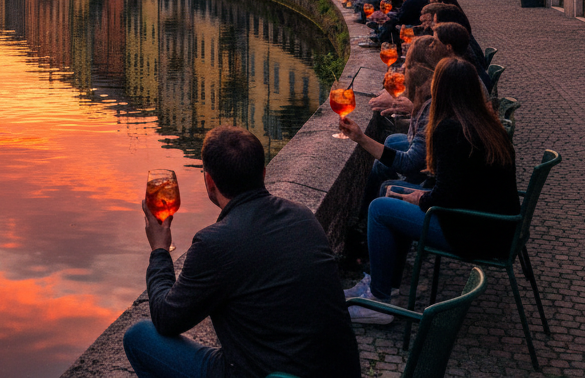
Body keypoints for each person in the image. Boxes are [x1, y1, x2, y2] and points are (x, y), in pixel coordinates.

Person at [125, 126, 362, 378]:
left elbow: (166, 318)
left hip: (268, 374)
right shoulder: (302, 216)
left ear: (209, 181)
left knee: (139, 337)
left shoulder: (214, 243)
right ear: (263, 173)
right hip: (338, 371)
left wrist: (160, 249)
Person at [346, 58, 520, 324]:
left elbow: (445, 196)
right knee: (390, 192)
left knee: (379, 208)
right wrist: (421, 196)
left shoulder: (450, 129)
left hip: (475, 231)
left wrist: (421, 198)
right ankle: (380, 284)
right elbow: (460, 186)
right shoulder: (484, 122)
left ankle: (379, 303)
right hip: (493, 225)